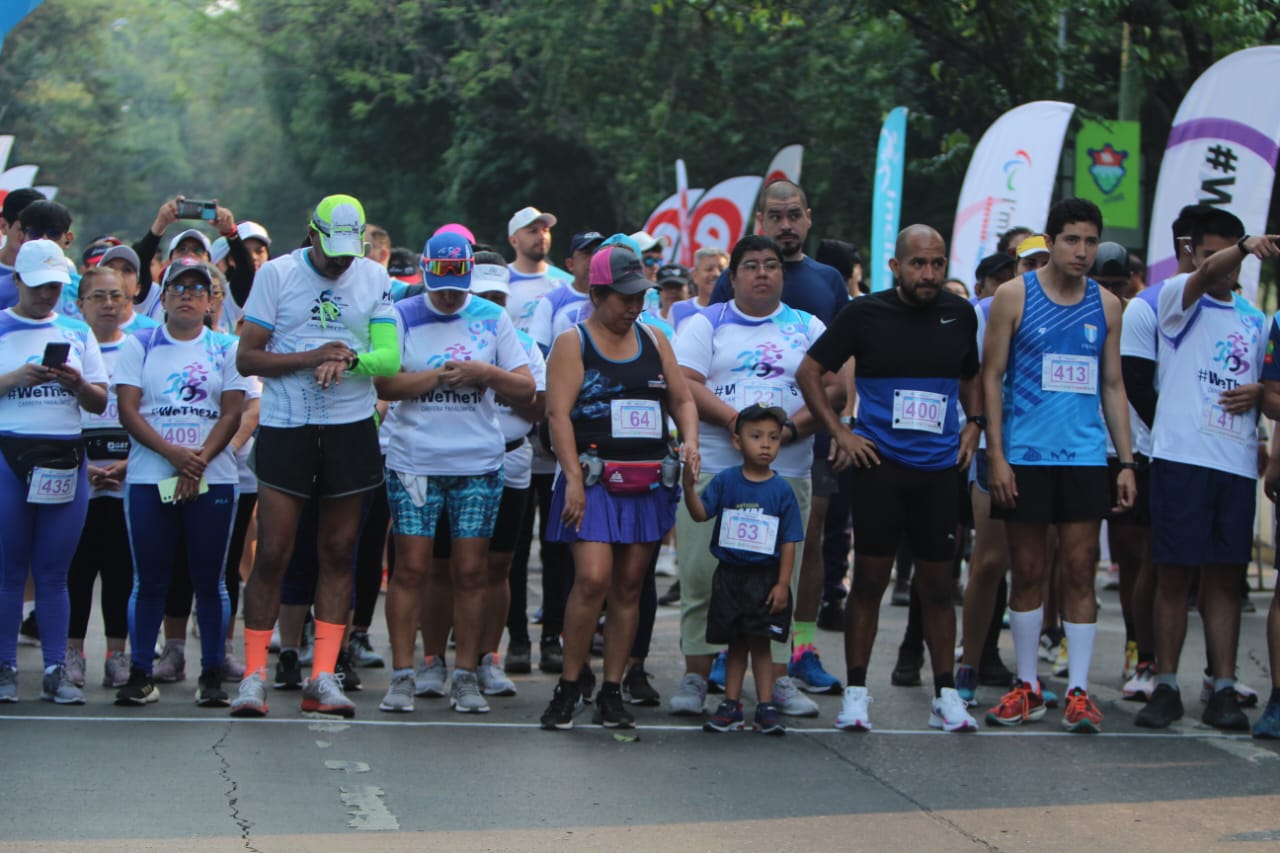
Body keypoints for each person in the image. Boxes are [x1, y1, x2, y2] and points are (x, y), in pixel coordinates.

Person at [797, 224, 982, 733]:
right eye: (918, 264)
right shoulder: (864, 314)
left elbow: (971, 376)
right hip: (880, 468)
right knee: (871, 581)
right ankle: (856, 694)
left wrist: (976, 424)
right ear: (896, 267)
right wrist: (841, 431)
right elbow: (809, 371)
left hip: (940, 470)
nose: (929, 274)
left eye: (937, 264)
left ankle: (946, 695)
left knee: (940, 586)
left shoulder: (959, 314)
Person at [231, 194, 400, 718]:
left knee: (338, 552)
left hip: (350, 428)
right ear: (311, 235)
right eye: (332, 252)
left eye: (350, 252)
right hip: (287, 426)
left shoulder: (373, 278)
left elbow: (390, 359)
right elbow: (246, 357)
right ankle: (254, 676)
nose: (341, 262)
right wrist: (313, 357)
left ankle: (323, 676)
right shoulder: (277, 275)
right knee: (276, 553)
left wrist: (348, 360)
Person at [980, 198, 1135, 733]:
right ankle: (1026, 687)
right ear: (1052, 241)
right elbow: (991, 378)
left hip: (1086, 457)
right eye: (1072, 239)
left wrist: (1126, 461)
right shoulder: (1013, 296)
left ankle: (1078, 692)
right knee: (1027, 570)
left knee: (1078, 567)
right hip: (1024, 456)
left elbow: (1113, 386)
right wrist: (995, 455)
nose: (1083, 251)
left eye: (1091, 241)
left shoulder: (1108, 305)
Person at [669, 234, 835, 720]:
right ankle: (697, 677)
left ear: (782, 274)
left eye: (771, 266)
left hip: (785, 476)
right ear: (733, 276)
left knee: (779, 581)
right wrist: (737, 426)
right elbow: (685, 383)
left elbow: (833, 388)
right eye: (751, 266)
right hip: (717, 471)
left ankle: (776, 681)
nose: (763, 273)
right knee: (702, 578)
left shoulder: (808, 326)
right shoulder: (707, 322)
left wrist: (787, 431)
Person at [538, 245, 699, 730]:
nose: (633, 306)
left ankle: (612, 688)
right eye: (624, 298)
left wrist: (688, 441)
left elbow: (682, 399)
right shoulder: (574, 342)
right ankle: (570, 682)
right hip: (594, 478)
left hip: (647, 478)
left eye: (640, 296)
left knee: (631, 584)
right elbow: (556, 415)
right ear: (598, 293)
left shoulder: (654, 339)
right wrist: (571, 478)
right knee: (591, 579)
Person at [374, 233, 533, 715]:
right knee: (413, 568)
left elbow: (526, 388)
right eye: (440, 285)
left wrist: (484, 373)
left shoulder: (492, 316)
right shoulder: (400, 314)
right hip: (414, 462)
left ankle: (465, 674)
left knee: (471, 571)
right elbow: (386, 382)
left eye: (458, 285)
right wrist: (442, 377)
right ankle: (404, 674)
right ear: (425, 272)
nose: (449, 295)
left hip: (477, 464)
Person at [1135, 218, 1277, 731]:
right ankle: (1165, 684)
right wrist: (1241, 247)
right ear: (1193, 254)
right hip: (1181, 459)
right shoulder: (1177, 300)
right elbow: (1209, 271)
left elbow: (1268, 384)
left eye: (1234, 256)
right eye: (1215, 255)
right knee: (1174, 574)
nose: (1226, 266)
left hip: (1233, 462)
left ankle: (1222, 686)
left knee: (1224, 578)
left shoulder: (1255, 319)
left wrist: (1261, 397)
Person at [708, 180, 849, 696]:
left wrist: (838, 427)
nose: (786, 224)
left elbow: (844, 362)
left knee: (807, 543)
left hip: (810, 439)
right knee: (739, 541)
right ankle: (732, 648)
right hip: (742, 448)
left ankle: (802, 649)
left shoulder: (829, 281)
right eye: (776, 216)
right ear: (761, 222)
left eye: (795, 215)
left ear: (808, 218)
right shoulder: (739, 278)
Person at [112, 257, 248, 707]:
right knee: (149, 580)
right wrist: (173, 455)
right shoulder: (141, 343)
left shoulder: (226, 347)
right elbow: (129, 410)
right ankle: (140, 673)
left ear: (211, 301)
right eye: (178, 287)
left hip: (215, 477)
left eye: (198, 288)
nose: (188, 295)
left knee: (210, 580)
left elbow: (233, 411)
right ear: (164, 296)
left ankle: (211, 672)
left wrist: (200, 461)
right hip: (152, 476)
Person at [0, 239, 108, 704]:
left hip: (65, 456)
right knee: (7, 571)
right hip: (8, 454)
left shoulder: (77, 331)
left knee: (53, 571)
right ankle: (5, 667)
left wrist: (77, 382)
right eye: (40, 286)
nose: (47, 295)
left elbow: (101, 401)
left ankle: (55, 670)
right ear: (19, 281)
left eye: (56, 286)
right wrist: (15, 379)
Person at [683, 404, 803, 735]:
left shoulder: (782, 490)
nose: (766, 445)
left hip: (765, 578)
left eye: (774, 438)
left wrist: (782, 584)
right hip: (730, 576)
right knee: (734, 642)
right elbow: (699, 515)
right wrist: (688, 488)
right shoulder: (725, 482)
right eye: (756, 437)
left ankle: (765, 706)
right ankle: (731, 705)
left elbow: (790, 540)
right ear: (737, 442)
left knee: (762, 643)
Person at [64, 266, 155, 690]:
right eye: (97, 297)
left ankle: (118, 654)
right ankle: (71, 653)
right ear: (79, 304)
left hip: (128, 473)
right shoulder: (67, 348)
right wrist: (85, 467)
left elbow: (151, 414)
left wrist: (128, 464)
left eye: (116, 296)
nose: (107, 305)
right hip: (75, 475)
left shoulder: (141, 348)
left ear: (129, 301)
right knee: (75, 570)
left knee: (121, 569)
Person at [506, 206, 560, 335]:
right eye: (533, 231)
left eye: (545, 230)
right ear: (514, 241)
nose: (542, 236)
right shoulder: (500, 281)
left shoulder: (565, 281)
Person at [0, 188, 47, 309]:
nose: (31, 237)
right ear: (3, 226)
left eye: (39, 230)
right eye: (24, 229)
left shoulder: (55, 271)